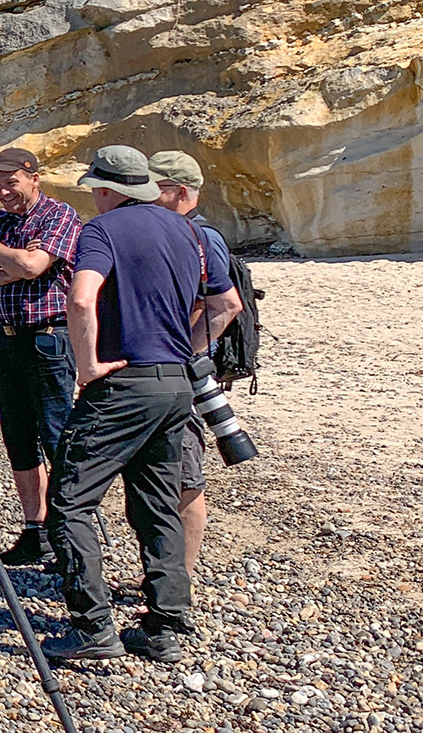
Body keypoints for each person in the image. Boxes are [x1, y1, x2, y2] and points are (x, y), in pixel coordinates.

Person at [39, 145, 236, 664]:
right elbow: (225, 304)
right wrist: (183, 353)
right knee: (156, 501)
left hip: (123, 383)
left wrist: (87, 365)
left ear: (107, 191)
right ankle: (165, 624)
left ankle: (92, 627)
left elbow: (82, 298)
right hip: (176, 386)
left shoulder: (102, 231)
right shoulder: (188, 231)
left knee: (70, 500)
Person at [0, 147, 83, 567]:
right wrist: (13, 265)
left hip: (48, 341)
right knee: (18, 441)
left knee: (56, 437)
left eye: (10, 182)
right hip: (5, 341)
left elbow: (33, 266)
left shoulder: (58, 216)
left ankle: (69, 535)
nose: (3, 191)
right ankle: (35, 531)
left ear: (33, 177)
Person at [148, 150, 246, 578]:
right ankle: (165, 575)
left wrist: (186, 353)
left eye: (156, 188)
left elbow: (223, 306)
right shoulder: (175, 231)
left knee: (185, 478)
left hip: (182, 374)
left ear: (181, 192)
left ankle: (180, 580)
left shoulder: (202, 238)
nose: (146, 196)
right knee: (165, 473)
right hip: (169, 370)